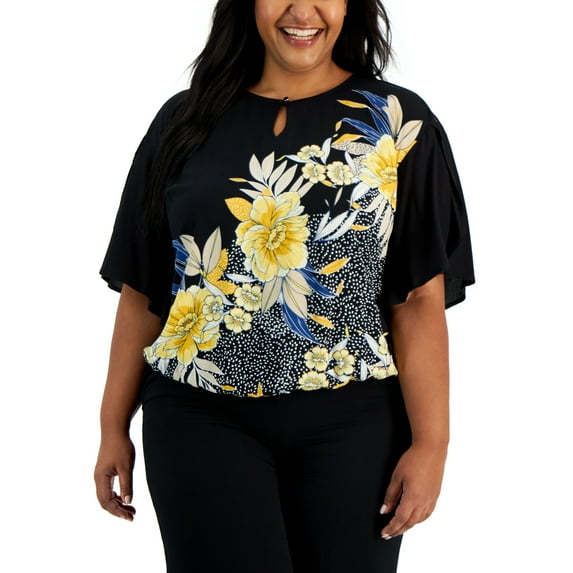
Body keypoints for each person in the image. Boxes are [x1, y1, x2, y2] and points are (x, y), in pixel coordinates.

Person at [94, 0, 474, 571]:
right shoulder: (184, 121)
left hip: (354, 424)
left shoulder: (396, 122)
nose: (303, 10)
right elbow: (144, 289)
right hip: (198, 418)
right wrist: (111, 427)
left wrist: (432, 445)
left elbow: (419, 298)